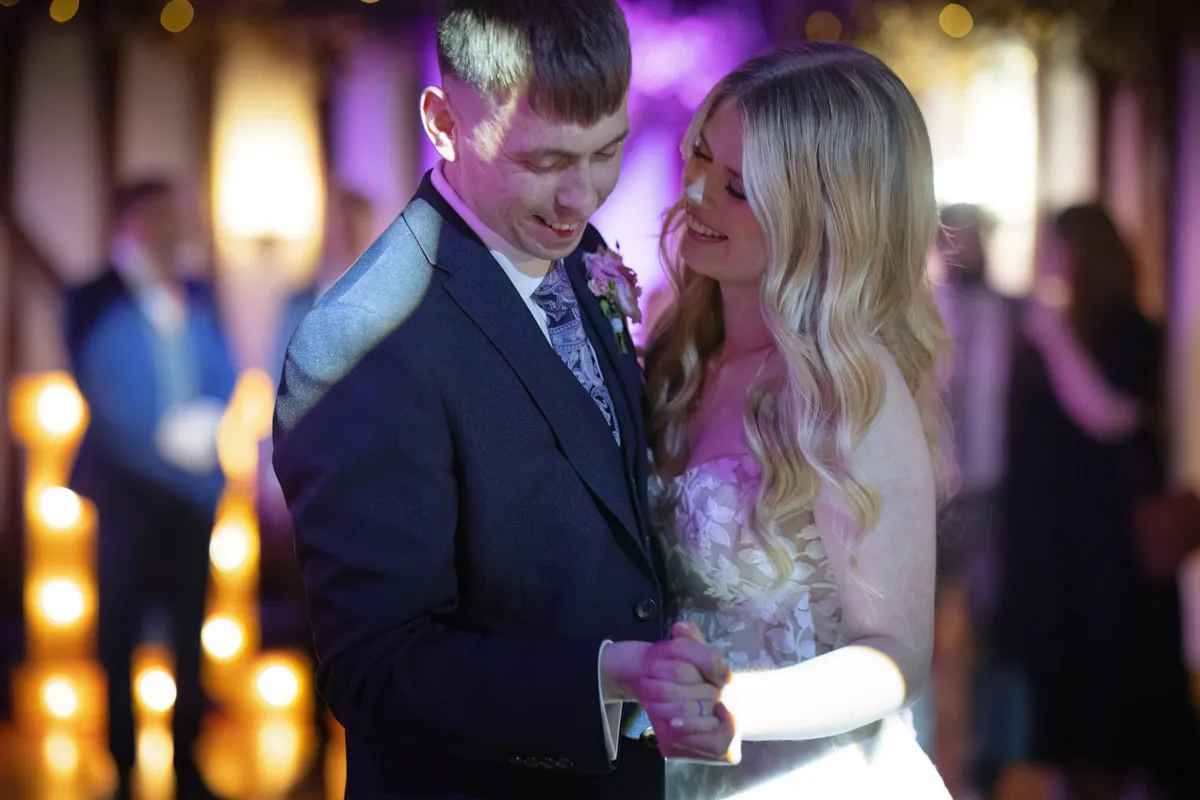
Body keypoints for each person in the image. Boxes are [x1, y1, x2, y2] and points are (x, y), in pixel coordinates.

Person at [272, 2, 732, 798]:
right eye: (544, 161)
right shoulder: (360, 342)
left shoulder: (576, 249)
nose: (581, 198)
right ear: (444, 122)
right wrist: (607, 673)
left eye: (608, 150)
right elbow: (377, 667)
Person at [643, 42, 955, 798]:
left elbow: (897, 655)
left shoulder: (844, 385)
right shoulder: (675, 349)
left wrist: (733, 703)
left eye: (738, 188)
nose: (695, 194)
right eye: (700, 158)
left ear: (819, 218)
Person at [993, 204, 1199, 798]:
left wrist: (1054, 340)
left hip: (1114, 556)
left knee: (1118, 698)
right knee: (1068, 706)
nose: (1049, 261)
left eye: (1057, 247)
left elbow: (1110, 416)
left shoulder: (1131, 331)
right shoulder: (1049, 332)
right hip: (1058, 553)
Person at [65, 179, 236, 800]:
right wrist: (163, 433)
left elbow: (224, 364)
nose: (173, 226)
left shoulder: (197, 291)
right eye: (160, 215)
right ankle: (124, 768)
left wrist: (207, 418)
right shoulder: (91, 297)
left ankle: (187, 764)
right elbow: (95, 376)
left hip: (191, 492)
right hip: (126, 490)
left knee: (191, 626)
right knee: (119, 631)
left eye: (177, 214)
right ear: (130, 220)